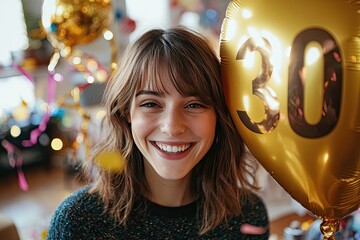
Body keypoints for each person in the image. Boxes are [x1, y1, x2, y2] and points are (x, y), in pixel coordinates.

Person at [46, 26, 269, 239]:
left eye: (194, 105)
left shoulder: (248, 216)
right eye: (151, 104)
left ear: (219, 118)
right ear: (126, 113)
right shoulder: (78, 222)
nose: (172, 127)